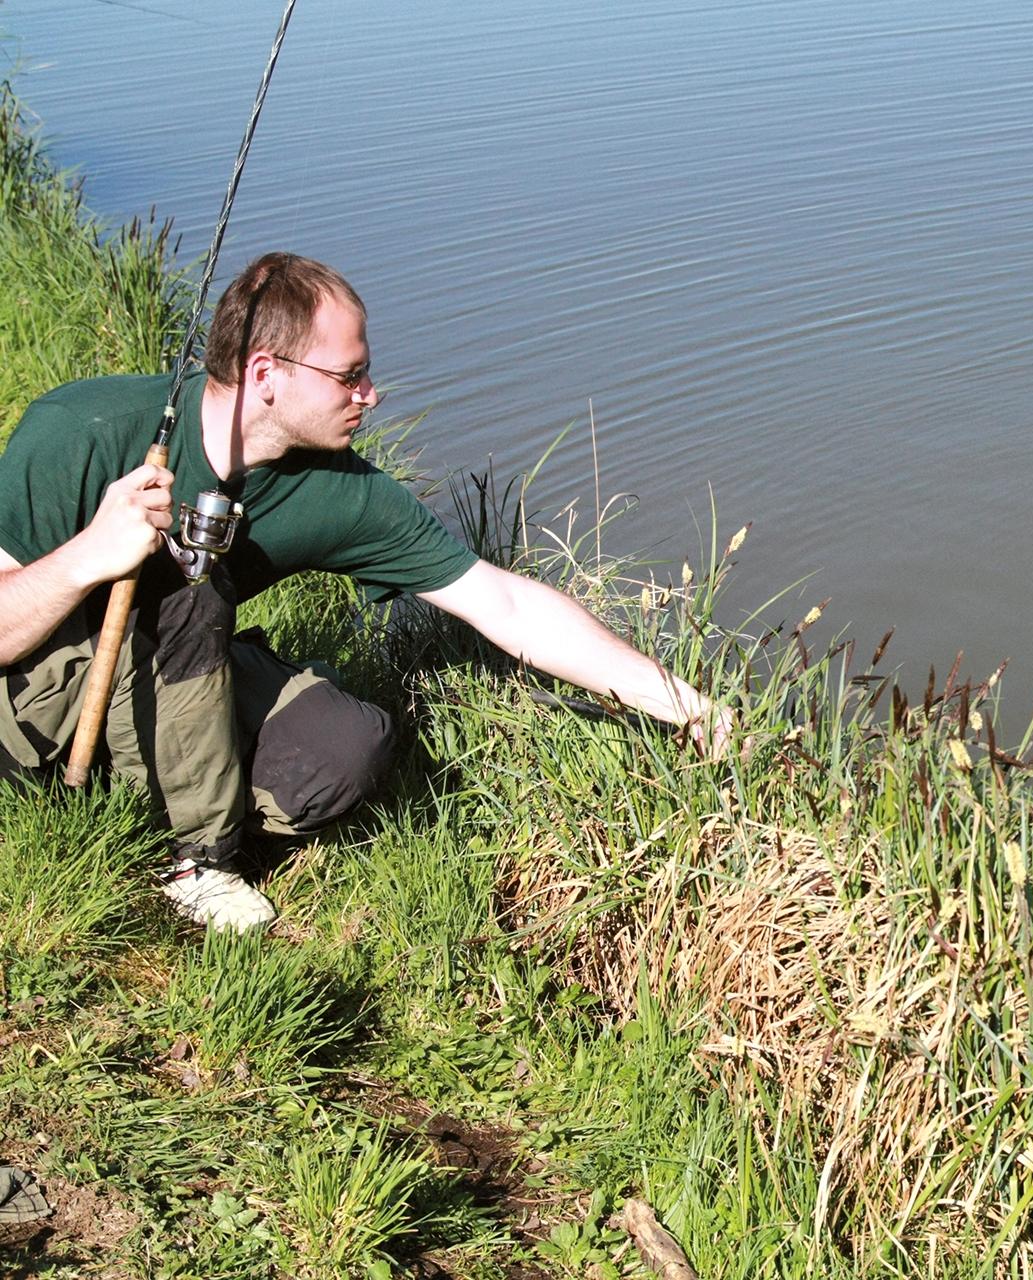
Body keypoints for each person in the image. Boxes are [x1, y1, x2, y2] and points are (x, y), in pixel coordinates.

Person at [0, 252, 730, 930]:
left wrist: (683, 703)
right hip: (36, 690)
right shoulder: (81, 429)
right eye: (349, 377)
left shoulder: (342, 492)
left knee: (345, 749)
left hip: (173, 673)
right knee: (200, 586)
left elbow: (505, 605)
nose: (370, 396)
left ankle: (138, 802)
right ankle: (200, 859)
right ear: (266, 373)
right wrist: (84, 558)